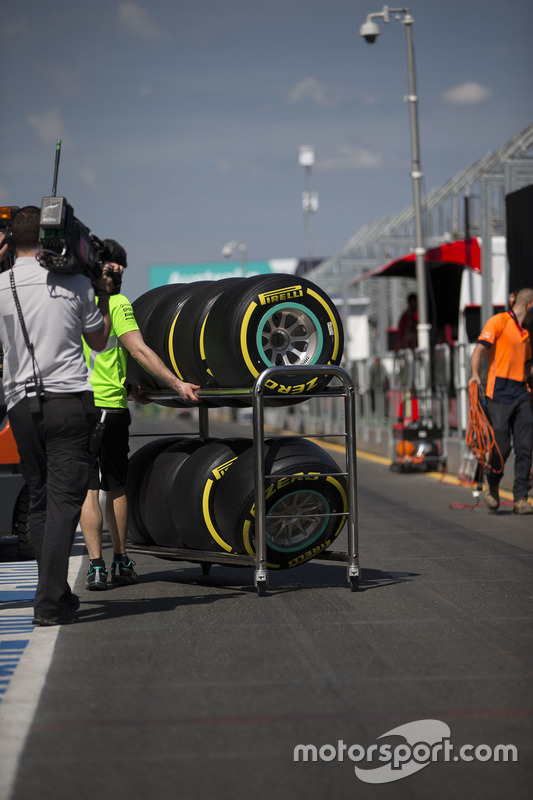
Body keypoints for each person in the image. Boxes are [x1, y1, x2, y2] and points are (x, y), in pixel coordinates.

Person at [0, 206, 115, 625]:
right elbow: (100, 341)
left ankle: (56, 592)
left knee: (41, 498)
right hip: (68, 402)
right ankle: (49, 603)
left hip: (20, 408)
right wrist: (103, 292)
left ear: (12, 240)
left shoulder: (2, 284)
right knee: (65, 502)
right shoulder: (75, 282)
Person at [79, 239, 200, 591]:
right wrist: (177, 384)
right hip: (110, 409)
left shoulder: (73, 304)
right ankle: (119, 560)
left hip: (77, 407)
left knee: (87, 490)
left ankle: (95, 568)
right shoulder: (116, 304)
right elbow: (139, 351)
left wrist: (129, 386)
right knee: (115, 486)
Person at [469, 287, 533, 514]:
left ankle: (520, 499)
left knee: (525, 447)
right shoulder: (499, 321)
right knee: (501, 447)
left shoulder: (524, 334)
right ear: (530, 306)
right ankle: (492, 484)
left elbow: (527, 366)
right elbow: (478, 350)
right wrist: (476, 375)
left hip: (521, 393)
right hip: (499, 394)